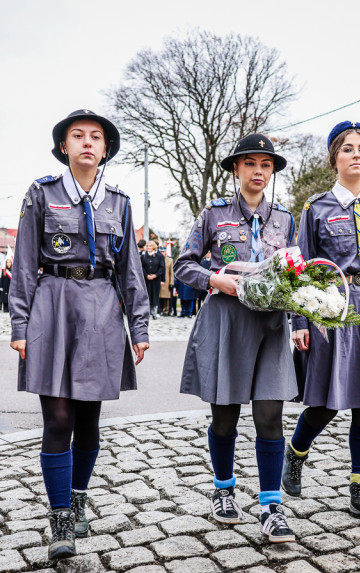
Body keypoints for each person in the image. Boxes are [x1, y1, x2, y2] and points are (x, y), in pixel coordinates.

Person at [10, 109, 149, 561]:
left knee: (88, 423)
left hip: (102, 312)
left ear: (105, 149)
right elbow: (25, 262)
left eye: (96, 137)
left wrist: (139, 327)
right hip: (52, 307)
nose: (88, 143)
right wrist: (19, 324)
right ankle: (60, 521)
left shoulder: (120, 203)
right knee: (59, 419)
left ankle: (79, 496)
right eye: (78, 136)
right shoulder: (41, 194)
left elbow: (130, 270)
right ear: (64, 147)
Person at [175, 133, 299, 542]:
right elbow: (183, 265)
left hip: (271, 326)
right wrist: (215, 279)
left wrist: (300, 312)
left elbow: (295, 271)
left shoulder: (284, 218)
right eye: (251, 164)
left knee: (269, 414)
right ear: (236, 169)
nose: (259, 171)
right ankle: (224, 489)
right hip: (227, 321)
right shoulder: (213, 215)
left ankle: (270, 505)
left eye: (266, 165)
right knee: (224, 416)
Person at [283, 121, 360, 527]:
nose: (356, 155)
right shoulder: (316, 209)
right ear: (334, 158)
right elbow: (301, 270)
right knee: (327, 402)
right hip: (331, 307)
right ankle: (295, 454)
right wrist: (300, 318)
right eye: (347, 148)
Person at [140, 241, 164, 319]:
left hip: (155, 279)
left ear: (154, 247)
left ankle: (154, 313)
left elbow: (162, 267)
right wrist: (146, 275)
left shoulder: (159, 256)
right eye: (147, 246)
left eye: (150, 246)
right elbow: (141, 266)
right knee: (147, 295)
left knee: (154, 295)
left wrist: (155, 275)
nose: (148, 247)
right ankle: (147, 313)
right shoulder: (144, 256)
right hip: (146, 279)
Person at [159, 247, 174, 316]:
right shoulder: (157, 259)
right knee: (159, 297)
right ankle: (159, 310)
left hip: (166, 281)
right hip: (158, 280)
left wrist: (171, 283)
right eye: (160, 252)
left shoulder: (169, 260)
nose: (162, 253)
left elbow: (171, 273)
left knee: (166, 298)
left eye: (163, 252)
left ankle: (166, 311)